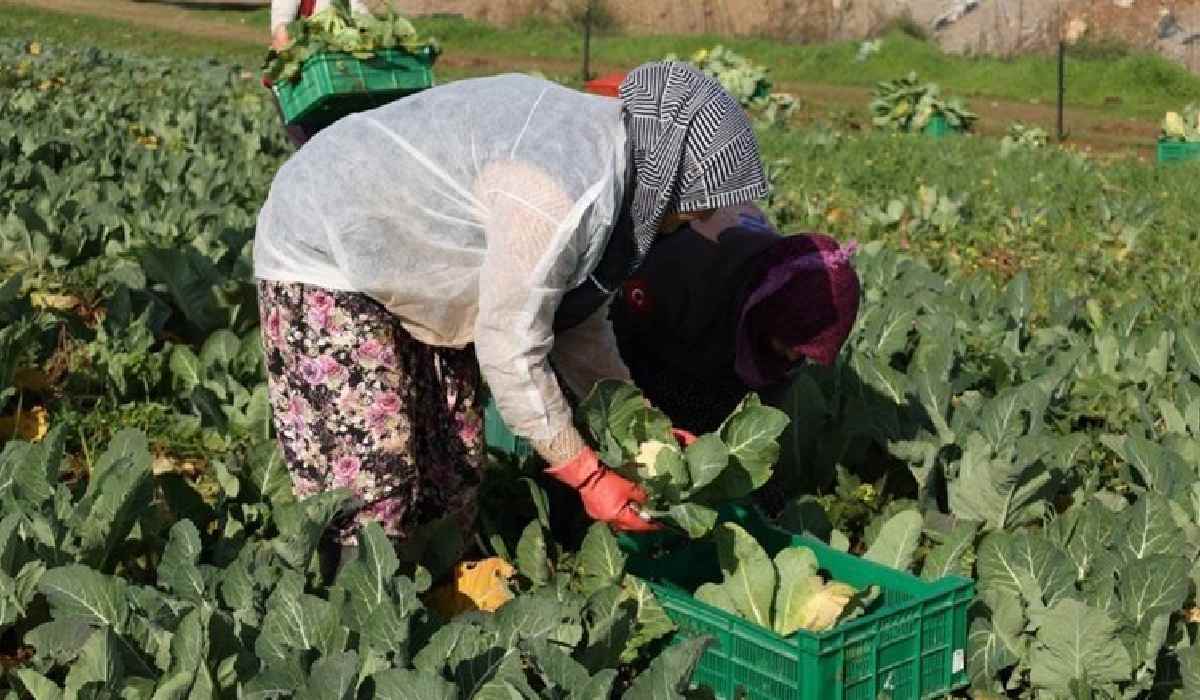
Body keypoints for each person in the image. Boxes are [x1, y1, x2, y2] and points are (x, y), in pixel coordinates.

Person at [253, 62, 770, 566]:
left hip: (410, 256)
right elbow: (510, 347)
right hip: (325, 240)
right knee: (374, 479)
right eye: (694, 205)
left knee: (450, 466)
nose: (689, 221)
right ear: (668, 170)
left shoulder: (613, 165)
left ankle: (424, 603)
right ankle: (358, 629)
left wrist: (641, 427)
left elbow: (577, 325)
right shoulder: (561, 189)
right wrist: (587, 476)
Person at [610, 203, 861, 435]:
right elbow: (610, 348)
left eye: (802, 350)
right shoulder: (679, 272)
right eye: (789, 343)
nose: (794, 356)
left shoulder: (779, 306)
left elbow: (758, 413)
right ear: (764, 310)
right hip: (639, 345)